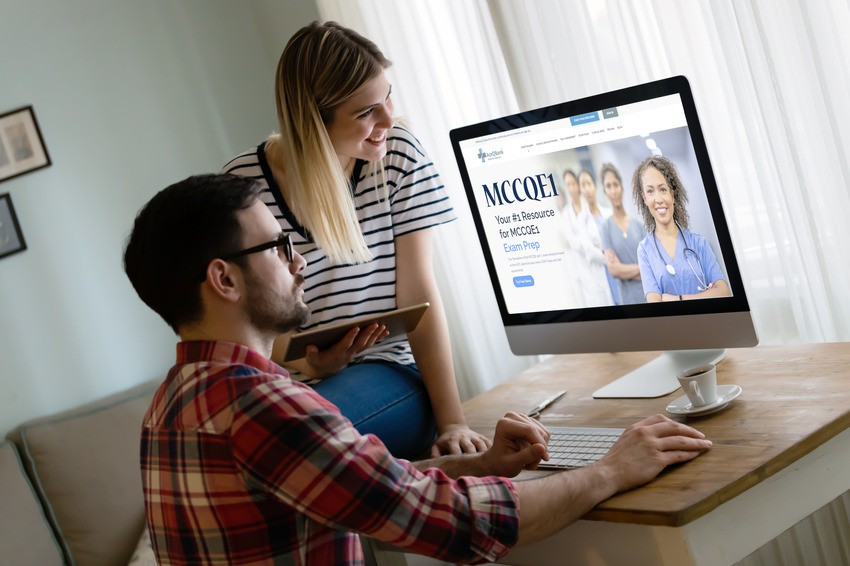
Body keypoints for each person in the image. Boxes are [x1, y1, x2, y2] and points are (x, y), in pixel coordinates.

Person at [123, 173, 712, 565]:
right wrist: (611, 470)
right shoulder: (264, 407)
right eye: (277, 247)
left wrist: (481, 462)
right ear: (223, 279)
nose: (298, 261)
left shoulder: (172, 401)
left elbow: (368, 485)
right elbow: (452, 522)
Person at [221, 21, 486, 459]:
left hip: (391, 370)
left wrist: (452, 421)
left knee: (286, 443)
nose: (387, 119)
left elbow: (419, 292)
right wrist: (304, 366)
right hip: (291, 384)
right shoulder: (244, 186)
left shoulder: (399, 154)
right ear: (313, 123)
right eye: (366, 112)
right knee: (250, 440)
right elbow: (248, 323)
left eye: (387, 97)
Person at [631, 155, 731, 302]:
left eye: (663, 189)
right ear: (644, 199)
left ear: (673, 194)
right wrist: (704, 296)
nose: (658, 199)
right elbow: (655, 302)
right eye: (650, 191)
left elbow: (723, 291)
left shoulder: (699, 243)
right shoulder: (645, 250)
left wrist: (678, 298)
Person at [560, 169, 613, 307]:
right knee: (589, 299)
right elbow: (575, 243)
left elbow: (600, 240)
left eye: (573, 183)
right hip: (583, 266)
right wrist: (591, 246)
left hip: (601, 265)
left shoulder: (588, 208)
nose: (571, 188)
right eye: (568, 185)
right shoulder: (566, 214)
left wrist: (595, 247)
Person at [598, 162, 646, 304]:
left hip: (649, 296)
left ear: (622, 187)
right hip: (628, 302)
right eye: (608, 186)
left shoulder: (638, 225)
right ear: (604, 191)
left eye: (615, 184)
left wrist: (626, 271)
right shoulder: (606, 228)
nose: (613, 191)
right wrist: (641, 269)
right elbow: (614, 270)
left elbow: (651, 267)